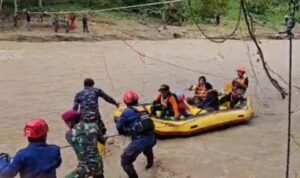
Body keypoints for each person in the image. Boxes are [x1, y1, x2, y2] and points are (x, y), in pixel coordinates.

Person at [116, 91, 156, 178]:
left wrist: (124, 132)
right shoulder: (144, 108)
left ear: (126, 102)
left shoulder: (126, 112)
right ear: (137, 100)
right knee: (147, 148)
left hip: (140, 140)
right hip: (152, 138)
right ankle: (150, 164)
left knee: (125, 161)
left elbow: (119, 126)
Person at [62, 110, 106, 178]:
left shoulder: (69, 134)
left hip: (85, 167)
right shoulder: (94, 126)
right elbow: (103, 141)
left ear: (70, 122)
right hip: (98, 164)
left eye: (66, 123)